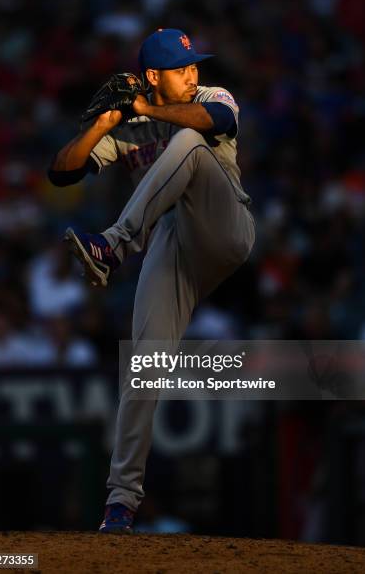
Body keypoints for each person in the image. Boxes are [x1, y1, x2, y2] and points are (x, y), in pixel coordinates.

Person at [49, 28, 255, 533]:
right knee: (145, 361)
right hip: (170, 241)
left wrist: (146, 108)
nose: (192, 75)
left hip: (223, 223)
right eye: (181, 69)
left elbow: (218, 120)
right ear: (152, 77)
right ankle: (120, 505)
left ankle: (113, 245)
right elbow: (62, 172)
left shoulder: (209, 97)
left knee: (187, 140)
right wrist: (104, 125)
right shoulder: (135, 123)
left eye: (193, 65)